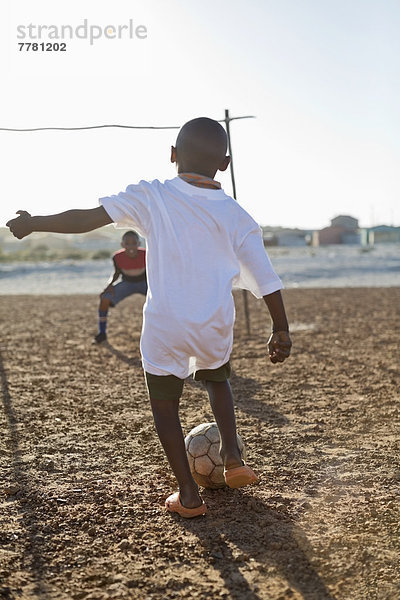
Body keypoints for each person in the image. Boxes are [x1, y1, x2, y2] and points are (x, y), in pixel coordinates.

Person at [7, 117, 292, 519]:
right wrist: (280, 329)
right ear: (225, 163)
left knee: (165, 405)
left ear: (173, 155)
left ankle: (189, 496)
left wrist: (34, 223)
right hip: (213, 323)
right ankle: (232, 459)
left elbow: (87, 219)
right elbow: (267, 278)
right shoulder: (238, 216)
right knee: (217, 377)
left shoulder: (152, 196)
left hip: (165, 325)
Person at [94, 230, 147, 344]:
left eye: (134, 243)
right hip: (127, 283)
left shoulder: (147, 254)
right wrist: (109, 285)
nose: (131, 246)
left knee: (164, 300)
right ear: (122, 245)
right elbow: (116, 273)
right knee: (105, 299)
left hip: (145, 283)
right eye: (127, 243)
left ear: (139, 244)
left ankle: (172, 332)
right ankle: (102, 333)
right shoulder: (117, 257)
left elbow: (154, 272)